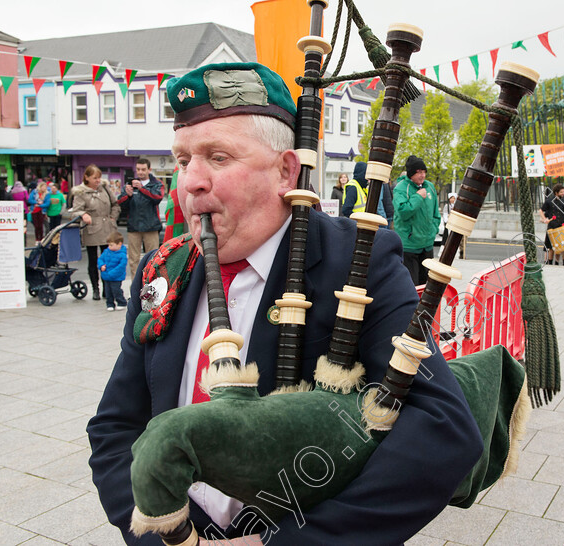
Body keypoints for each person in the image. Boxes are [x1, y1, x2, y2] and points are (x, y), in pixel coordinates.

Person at [87, 61, 480, 546]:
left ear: (285, 170)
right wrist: (163, 535)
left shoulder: (357, 261)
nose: (191, 182)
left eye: (219, 157)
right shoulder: (161, 270)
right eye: (184, 159)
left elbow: (442, 429)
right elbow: (115, 427)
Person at [71, 164, 120, 301]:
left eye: (99, 178)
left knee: (109, 259)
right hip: (92, 229)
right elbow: (75, 210)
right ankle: (95, 289)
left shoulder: (104, 188)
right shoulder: (81, 192)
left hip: (108, 228)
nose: (98, 180)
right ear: (86, 177)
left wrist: (113, 218)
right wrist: (83, 214)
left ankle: (107, 288)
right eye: (94, 178)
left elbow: (115, 204)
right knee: (93, 261)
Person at [393, 155, 441, 285]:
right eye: (418, 172)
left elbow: (436, 213)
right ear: (411, 173)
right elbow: (403, 212)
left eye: (424, 171)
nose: (422, 175)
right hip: (409, 246)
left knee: (426, 284)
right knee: (411, 285)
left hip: (427, 245)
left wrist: (433, 230)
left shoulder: (430, 187)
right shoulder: (401, 188)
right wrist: (418, 197)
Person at [118, 158, 165, 278]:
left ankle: (152, 284)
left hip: (151, 227)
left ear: (149, 169)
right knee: (133, 260)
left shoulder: (157, 184)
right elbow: (120, 204)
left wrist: (142, 189)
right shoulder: (129, 185)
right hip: (134, 227)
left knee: (154, 258)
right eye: (138, 169)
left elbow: (157, 198)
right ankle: (135, 286)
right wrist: (127, 196)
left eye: (143, 169)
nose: (140, 172)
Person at [539, 183, 564, 266]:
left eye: (563, 192)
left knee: (562, 246)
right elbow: (541, 211)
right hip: (552, 226)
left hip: (561, 226)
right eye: (561, 192)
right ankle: (550, 263)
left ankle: (560, 263)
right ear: (556, 192)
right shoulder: (549, 201)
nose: (563, 193)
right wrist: (544, 219)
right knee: (550, 247)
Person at [97, 231, 129, 311]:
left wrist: (111, 273)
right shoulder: (106, 252)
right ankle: (110, 304)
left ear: (119, 244)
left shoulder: (122, 255)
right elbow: (100, 259)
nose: (109, 247)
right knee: (108, 292)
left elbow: (121, 266)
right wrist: (101, 265)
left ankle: (121, 302)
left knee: (116, 290)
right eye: (109, 245)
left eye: (111, 245)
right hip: (106, 276)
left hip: (116, 277)